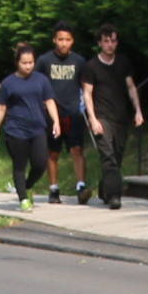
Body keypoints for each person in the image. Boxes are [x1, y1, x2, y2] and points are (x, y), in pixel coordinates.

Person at [0, 43, 62, 205]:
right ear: (17, 63)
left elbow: (49, 101)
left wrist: (56, 121)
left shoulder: (41, 80)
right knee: (19, 165)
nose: (28, 66)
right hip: (16, 131)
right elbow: (1, 108)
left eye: (31, 62)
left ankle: (25, 186)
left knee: (40, 163)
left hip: (37, 129)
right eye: (24, 63)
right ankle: (23, 198)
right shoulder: (9, 83)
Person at [82, 25, 147, 208]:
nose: (110, 45)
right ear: (99, 43)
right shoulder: (91, 66)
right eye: (106, 41)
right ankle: (114, 197)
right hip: (102, 117)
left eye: (113, 41)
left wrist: (138, 110)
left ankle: (105, 189)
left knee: (117, 157)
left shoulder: (123, 63)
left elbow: (131, 87)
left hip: (121, 117)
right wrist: (92, 119)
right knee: (108, 156)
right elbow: (87, 93)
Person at [40, 24, 93, 203]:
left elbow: (86, 87)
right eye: (60, 39)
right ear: (54, 40)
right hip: (52, 115)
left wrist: (88, 109)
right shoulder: (44, 61)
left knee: (77, 150)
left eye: (68, 40)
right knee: (53, 153)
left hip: (73, 113)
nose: (64, 43)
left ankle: (81, 187)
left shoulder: (79, 61)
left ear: (73, 41)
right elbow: (37, 86)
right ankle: (54, 190)